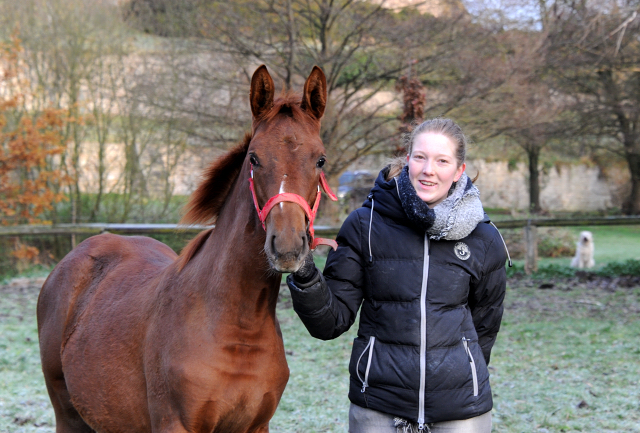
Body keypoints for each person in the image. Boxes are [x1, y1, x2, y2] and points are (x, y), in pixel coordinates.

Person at [287, 118, 510, 433]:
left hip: (460, 411)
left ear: (459, 170)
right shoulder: (364, 225)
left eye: (442, 161)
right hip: (378, 404)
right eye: (420, 157)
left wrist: (461, 375)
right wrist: (305, 274)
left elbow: (485, 325)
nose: (428, 169)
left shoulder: (484, 238)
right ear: (408, 160)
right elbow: (330, 321)